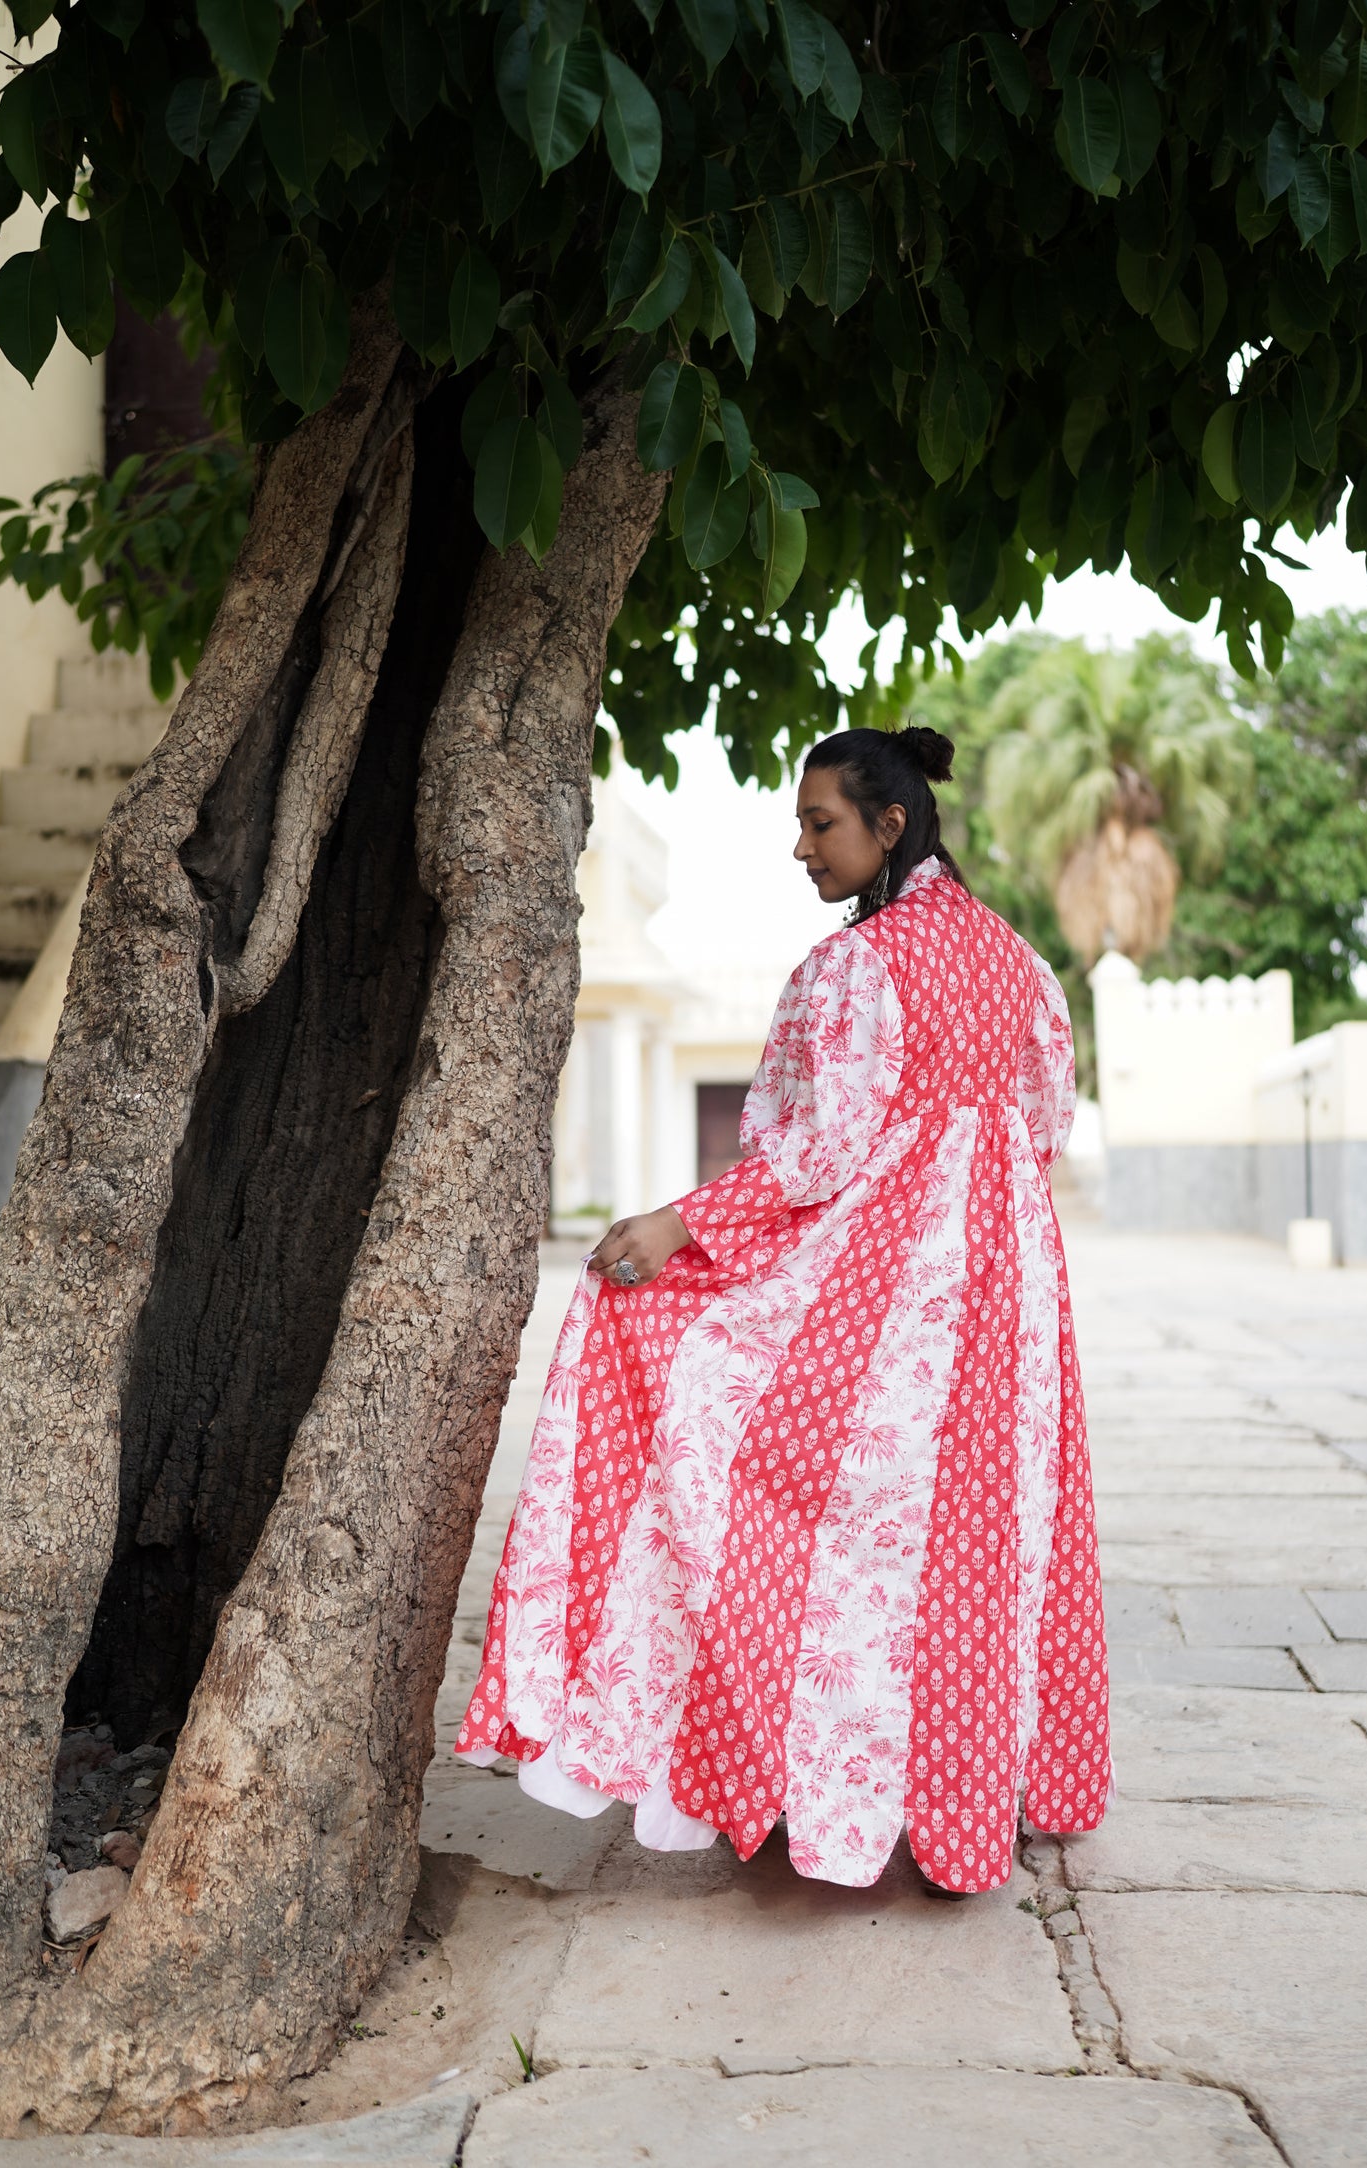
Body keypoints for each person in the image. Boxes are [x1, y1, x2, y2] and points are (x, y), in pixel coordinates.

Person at [456, 725, 1111, 1893]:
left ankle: (790, 1785)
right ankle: (949, 1806)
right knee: (972, 1542)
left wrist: (676, 1224)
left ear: (889, 825)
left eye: (820, 824)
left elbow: (811, 1154)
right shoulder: (1021, 964)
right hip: (1007, 1301)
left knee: (793, 1504)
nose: (799, 847)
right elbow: (1041, 1127)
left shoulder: (853, 969)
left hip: (885, 1292)